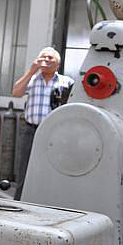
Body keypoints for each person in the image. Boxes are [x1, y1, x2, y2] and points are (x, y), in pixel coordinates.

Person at [12, 47, 74, 200]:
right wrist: (31, 71)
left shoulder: (66, 82)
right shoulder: (32, 79)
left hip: (56, 133)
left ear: (58, 64)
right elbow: (16, 93)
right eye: (42, 57)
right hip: (31, 129)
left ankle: (50, 201)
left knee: (54, 167)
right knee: (25, 167)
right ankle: (20, 201)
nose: (45, 60)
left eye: (50, 58)